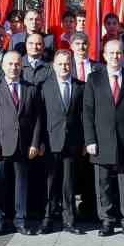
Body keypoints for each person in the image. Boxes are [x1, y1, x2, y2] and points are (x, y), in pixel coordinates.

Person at [83, 37, 124, 237]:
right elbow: (87, 112)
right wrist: (90, 140)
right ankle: (106, 221)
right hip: (101, 140)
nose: (115, 56)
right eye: (111, 53)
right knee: (103, 184)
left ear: (123, 55)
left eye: (119, 53)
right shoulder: (94, 78)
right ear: (104, 55)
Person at [0, 49, 47, 235]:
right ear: (3, 66)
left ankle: (21, 220)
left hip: (24, 145)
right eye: (10, 64)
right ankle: (0, 220)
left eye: (17, 64)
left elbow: (38, 119)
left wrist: (35, 143)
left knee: (21, 184)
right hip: (1, 146)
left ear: (22, 66)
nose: (14, 67)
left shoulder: (30, 88)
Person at [39, 49, 86, 235]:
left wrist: (84, 142)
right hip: (50, 141)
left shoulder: (81, 86)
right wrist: (40, 141)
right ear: (53, 66)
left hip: (73, 143)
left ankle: (69, 221)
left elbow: (84, 117)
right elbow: (40, 117)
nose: (64, 67)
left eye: (67, 64)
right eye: (60, 64)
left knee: (69, 184)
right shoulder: (44, 86)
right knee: (50, 183)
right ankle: (47, 219)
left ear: (72, 65)